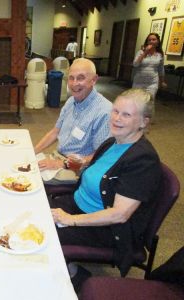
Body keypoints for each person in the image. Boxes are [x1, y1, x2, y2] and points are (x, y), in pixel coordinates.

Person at [50, 88, 162, 290]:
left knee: (46, 234)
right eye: (116, 111)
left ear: (144, 122)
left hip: (107, 227)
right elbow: (97, 171)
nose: (116, 118)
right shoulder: (113, 141)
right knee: (36, 208)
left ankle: (76, 276)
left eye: (126, 114)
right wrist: (73, 163)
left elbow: (119, 214)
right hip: (79, 204)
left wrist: (70, 220)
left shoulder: (143, 160)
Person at [35, 58, 112, 184]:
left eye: (81, 78)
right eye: (71, 78)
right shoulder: (71, 101)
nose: (74, 83)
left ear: (94, 80)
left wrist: (62, 163)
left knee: (30, 178)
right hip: (59, 157)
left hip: (78, 169)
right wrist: (33, 151)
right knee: (26, 164)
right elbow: (55, 132)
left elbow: (100, 155)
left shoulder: (104, 112)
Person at [132, 33, 167, 115]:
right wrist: (145, 52)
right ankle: (135, 119)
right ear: (147, 42)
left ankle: (146, 120)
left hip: (152, 83)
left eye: (153, 39)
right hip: (139, 82)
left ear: (157, 42)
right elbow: (135, 64)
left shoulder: (160, 55)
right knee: (136, 102)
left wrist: (162, 81)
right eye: (149, 40)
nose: (151, 41)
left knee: (149, 102)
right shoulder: (140, 52)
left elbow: (161, 69)